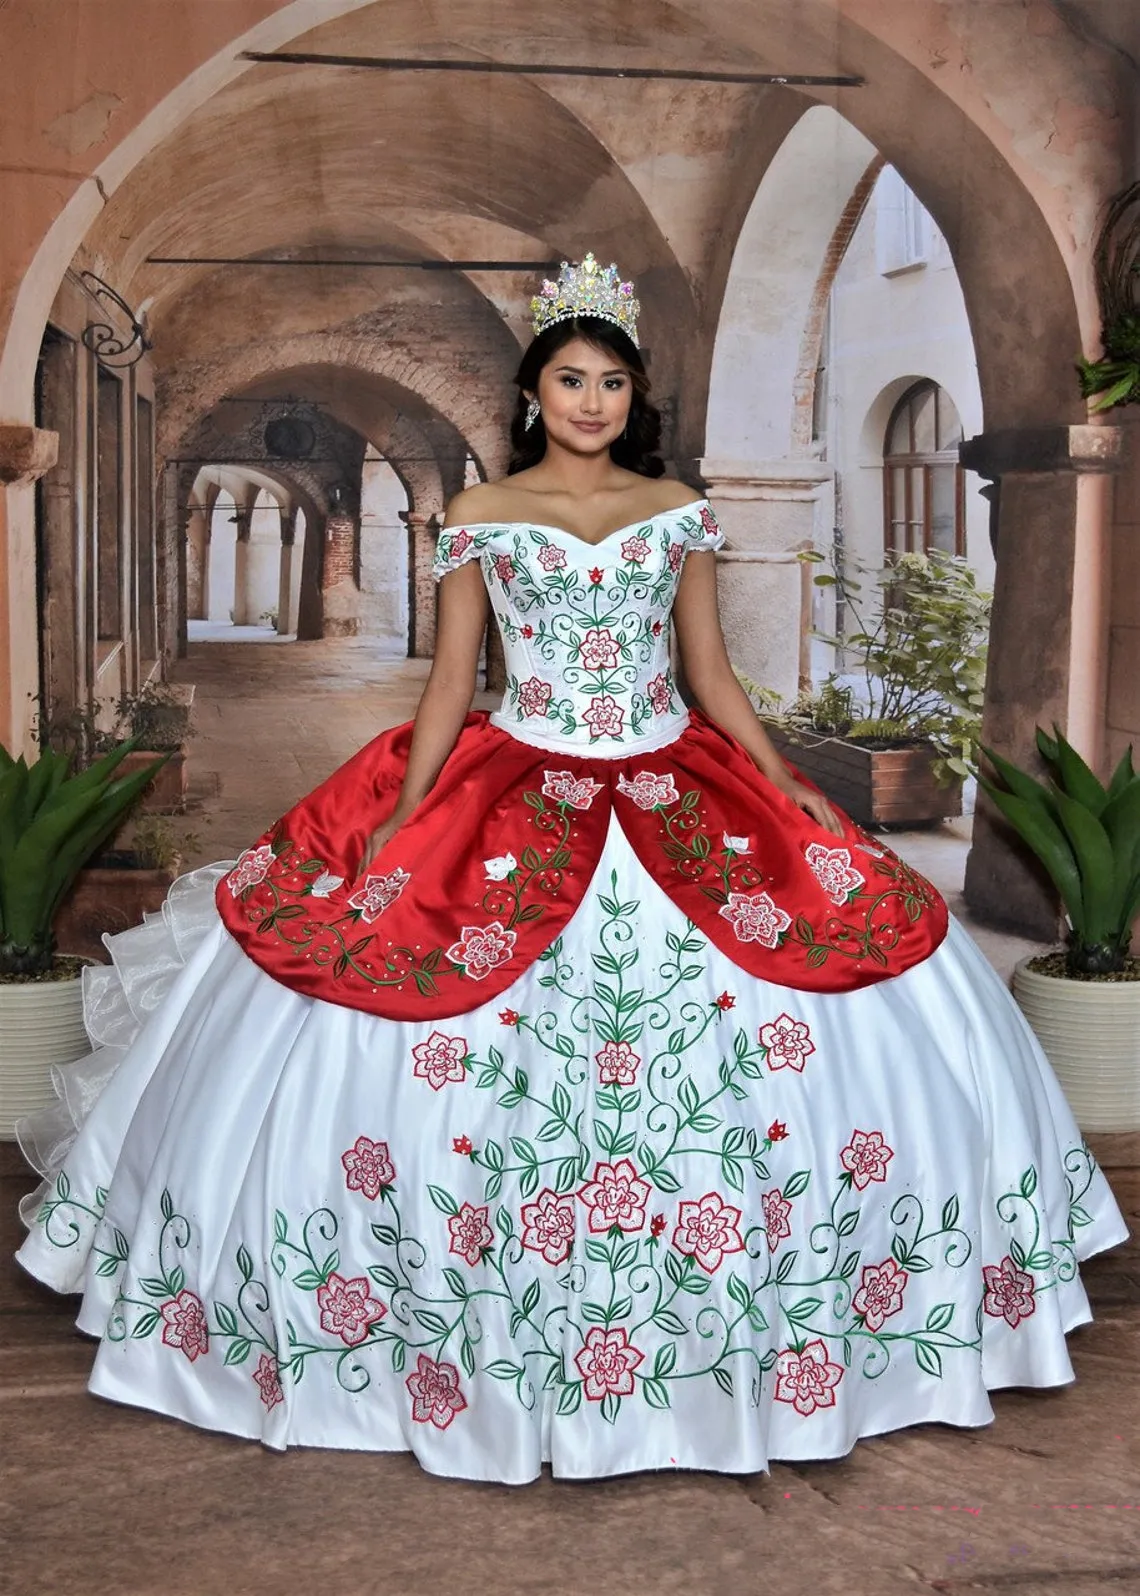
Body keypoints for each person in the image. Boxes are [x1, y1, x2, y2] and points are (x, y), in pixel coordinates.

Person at [16, 252, 1127, 1485]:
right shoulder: (482, 517)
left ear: (632, 393)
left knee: (826, 954)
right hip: (517, 772)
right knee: (372, 977)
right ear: (534, 391)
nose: (591, 399)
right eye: (569, 378)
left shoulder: (679, 510)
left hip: (671, 774)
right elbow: (454, 683)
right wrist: (404, 814)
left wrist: (796, 786)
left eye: (610, 380)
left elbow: (711, 678)